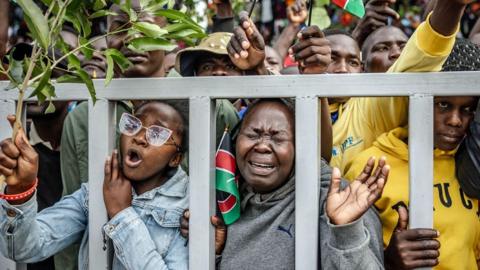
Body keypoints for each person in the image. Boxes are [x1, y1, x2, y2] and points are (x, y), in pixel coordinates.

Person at [181, 98, 389, 269]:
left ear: (300, 148)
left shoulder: (336, 198)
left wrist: (345, 232)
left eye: (278, 138)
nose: (262, 146)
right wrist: (213, 254)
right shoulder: (224, 199)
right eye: (253, 134)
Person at [0, 100, 190, 270]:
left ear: (175, 158)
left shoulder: (188, 206)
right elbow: (24, 248)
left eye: (157, 133)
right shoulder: (96, 193)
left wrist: (121, 214)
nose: (139, 138)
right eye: (133, 125)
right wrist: (21, 191)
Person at [330, 0, 473, 173]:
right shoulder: (354, 107)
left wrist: (452, 5)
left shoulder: (375, 107)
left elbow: (426, 49)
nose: (397, 53)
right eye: (382, 48)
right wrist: (357, 34)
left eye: (404, 48)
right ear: (363, 67)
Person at [344, 90, 479, 268]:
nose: (455, 120)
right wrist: (389, 261)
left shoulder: (469, 164)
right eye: (443, 105)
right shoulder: (372, 165)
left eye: (467, 109)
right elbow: (345, 253)